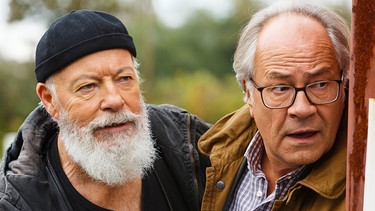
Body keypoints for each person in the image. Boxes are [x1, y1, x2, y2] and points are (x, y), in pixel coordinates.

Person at [0, 10, 210, 211]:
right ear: (50, 100)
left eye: (124, 79)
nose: (114, 100)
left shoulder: (189, 144)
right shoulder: (19, 202)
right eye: (88, 86)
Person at [198, 1, 350, 210]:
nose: (302, 108)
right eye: (280, 88)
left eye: (320, 84)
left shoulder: (363, 187)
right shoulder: (207, 161)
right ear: (248, 92)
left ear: (344, 84)